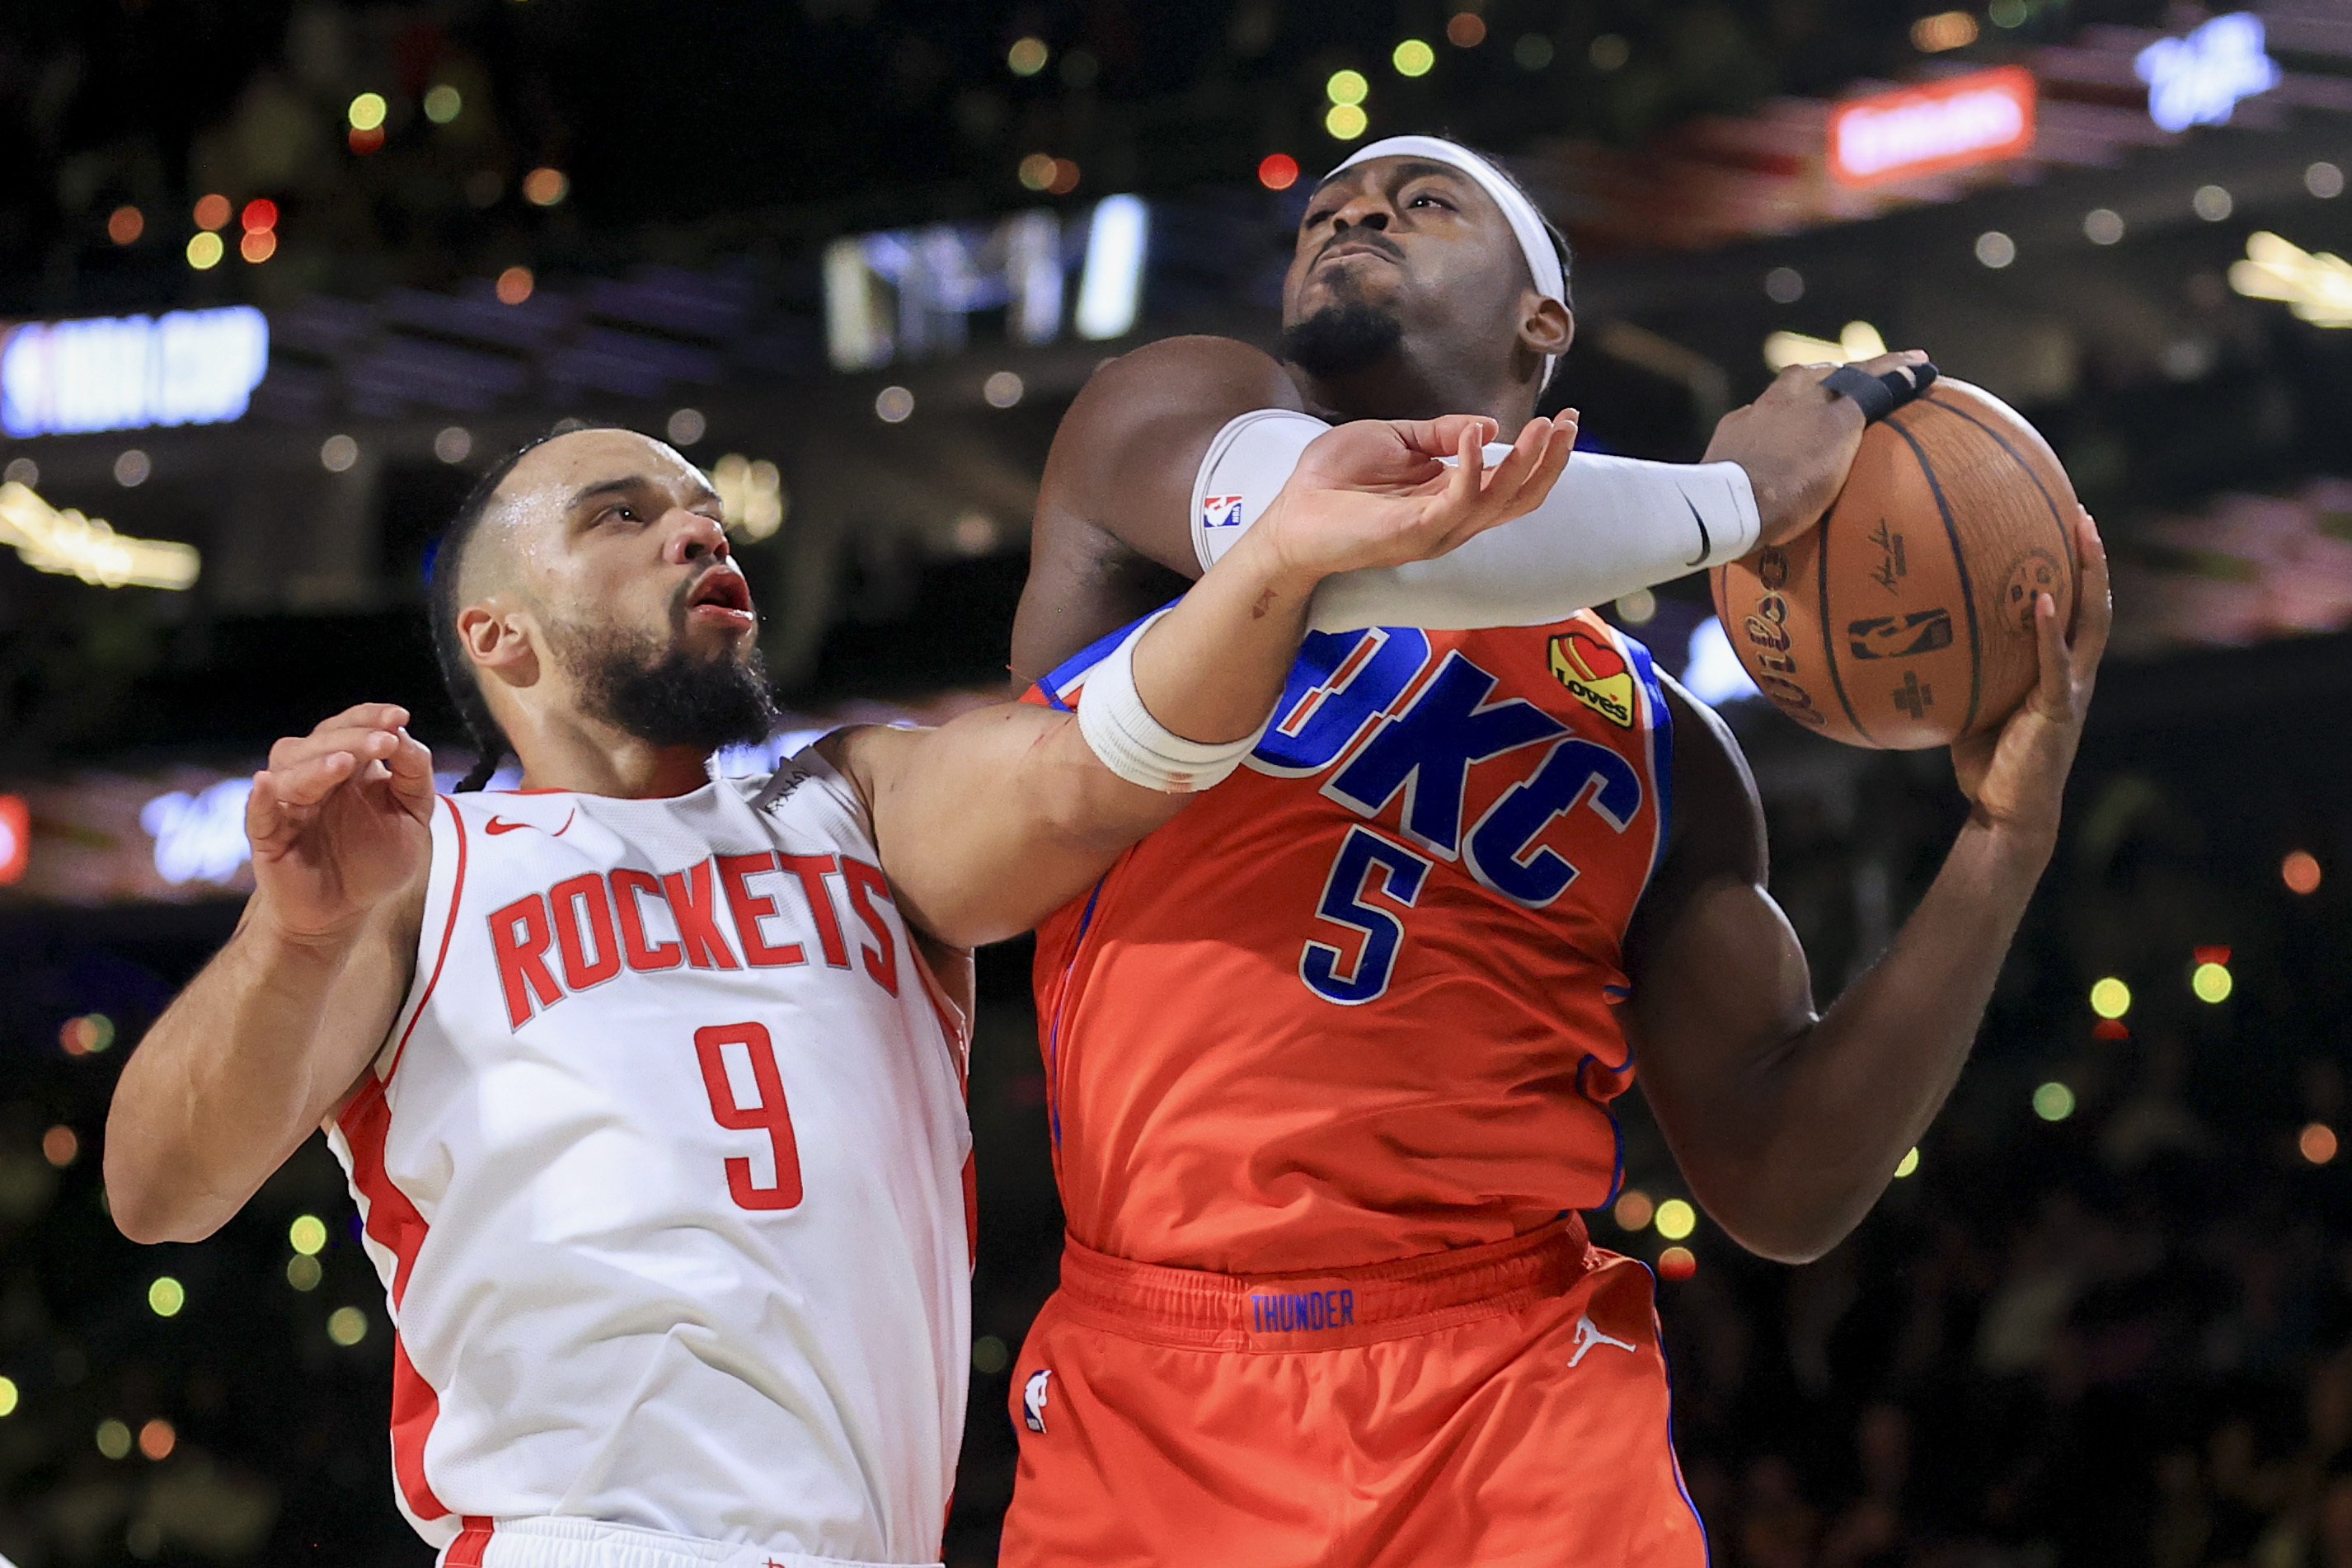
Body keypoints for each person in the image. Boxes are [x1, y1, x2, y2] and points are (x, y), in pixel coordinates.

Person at [101, 413, 1579, 1568]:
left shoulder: (853, 801)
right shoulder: (430, 866)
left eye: (706, 509)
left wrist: (1280, 555)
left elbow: (1093, 764)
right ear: (500, 636)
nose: (694, 525)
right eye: (626, 514)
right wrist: (293, 942)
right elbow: (160, 1187)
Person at [1002, 136, 2111, 1563]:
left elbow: (1782, 1182)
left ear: (1542, 319)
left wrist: (2003, 840)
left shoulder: (1666, 752)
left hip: (1507, 1389)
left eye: (1424, 201)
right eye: (1326, 211)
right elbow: (1331, 531)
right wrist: (1734, 501)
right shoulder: (1171, 424)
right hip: (1159, 1370)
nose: (1354, 214)